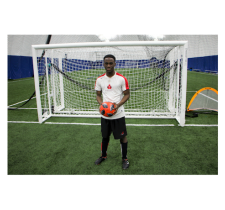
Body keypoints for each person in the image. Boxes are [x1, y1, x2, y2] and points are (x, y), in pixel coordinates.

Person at [94, 54, 130, 169]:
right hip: (105, 116)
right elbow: (98, 95)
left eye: (110, 63)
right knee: (105, 136)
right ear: (103, 64)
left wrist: (117, 106)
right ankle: (103, 156)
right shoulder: (99, 79)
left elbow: (127, 94)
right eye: (106, 63)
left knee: (122, 137)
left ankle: (125, 159)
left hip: (118, 115)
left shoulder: (121, 78)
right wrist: (103, 106)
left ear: (115, 64)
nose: (108, 65)